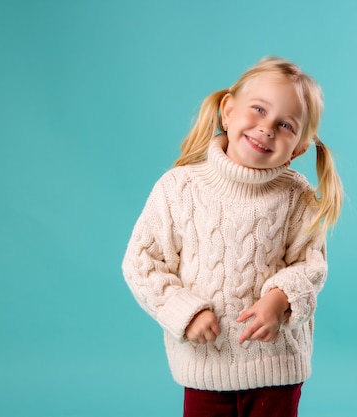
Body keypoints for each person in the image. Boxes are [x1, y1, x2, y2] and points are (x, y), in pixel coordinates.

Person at [122, 56, 343, 417]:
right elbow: (141, 263)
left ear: (300, 147)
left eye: (285, 125)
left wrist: (280, 297)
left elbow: (311, 264)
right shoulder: (179, 189)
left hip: (277, 367)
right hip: (206, 367)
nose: (266, 128)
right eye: (258, 109)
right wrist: (184, 312)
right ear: (228, 110)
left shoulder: (295, 195)